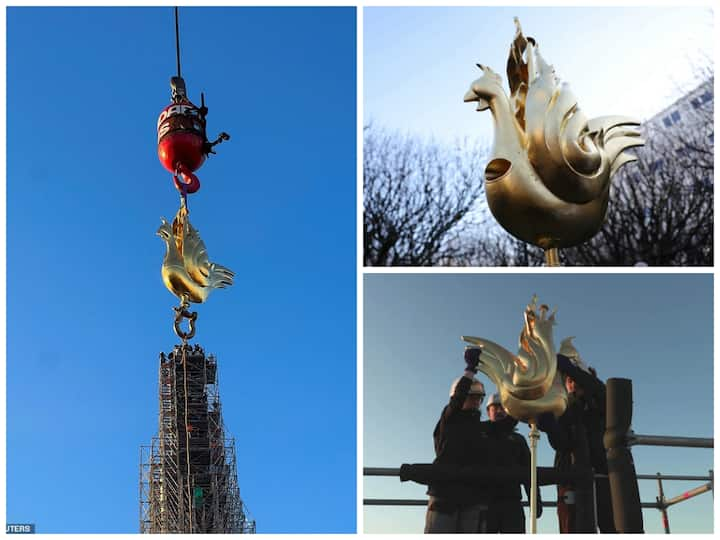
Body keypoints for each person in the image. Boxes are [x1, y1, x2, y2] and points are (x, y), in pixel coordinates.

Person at [537, 347, 616, 533]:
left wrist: (572, 369)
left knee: (611, 528)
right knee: (571, 528)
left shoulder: (601, 403)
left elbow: (599, 389)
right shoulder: (563, 409)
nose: (573, 384)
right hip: (570, 479)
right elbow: (561, 445)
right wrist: (550, 427)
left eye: (577, 379)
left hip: (602, 477)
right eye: (569, 381)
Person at [425, 347, 490, 533]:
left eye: (479, 398)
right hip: (445, 495)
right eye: (472, 397)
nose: (476, 402)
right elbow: (457, 398)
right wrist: (470, 370)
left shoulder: (481, 428)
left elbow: (506, 424)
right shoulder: (449, 418)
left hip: (472, 496)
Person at [483, 393, 542, 533]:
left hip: (511, 502)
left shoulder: (518, 440)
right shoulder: (480, 436)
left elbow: (529, 472)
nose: (499, 411)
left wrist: (535, 501)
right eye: (495, 408)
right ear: (488, 411)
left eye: (503, 408)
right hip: (484, 503)